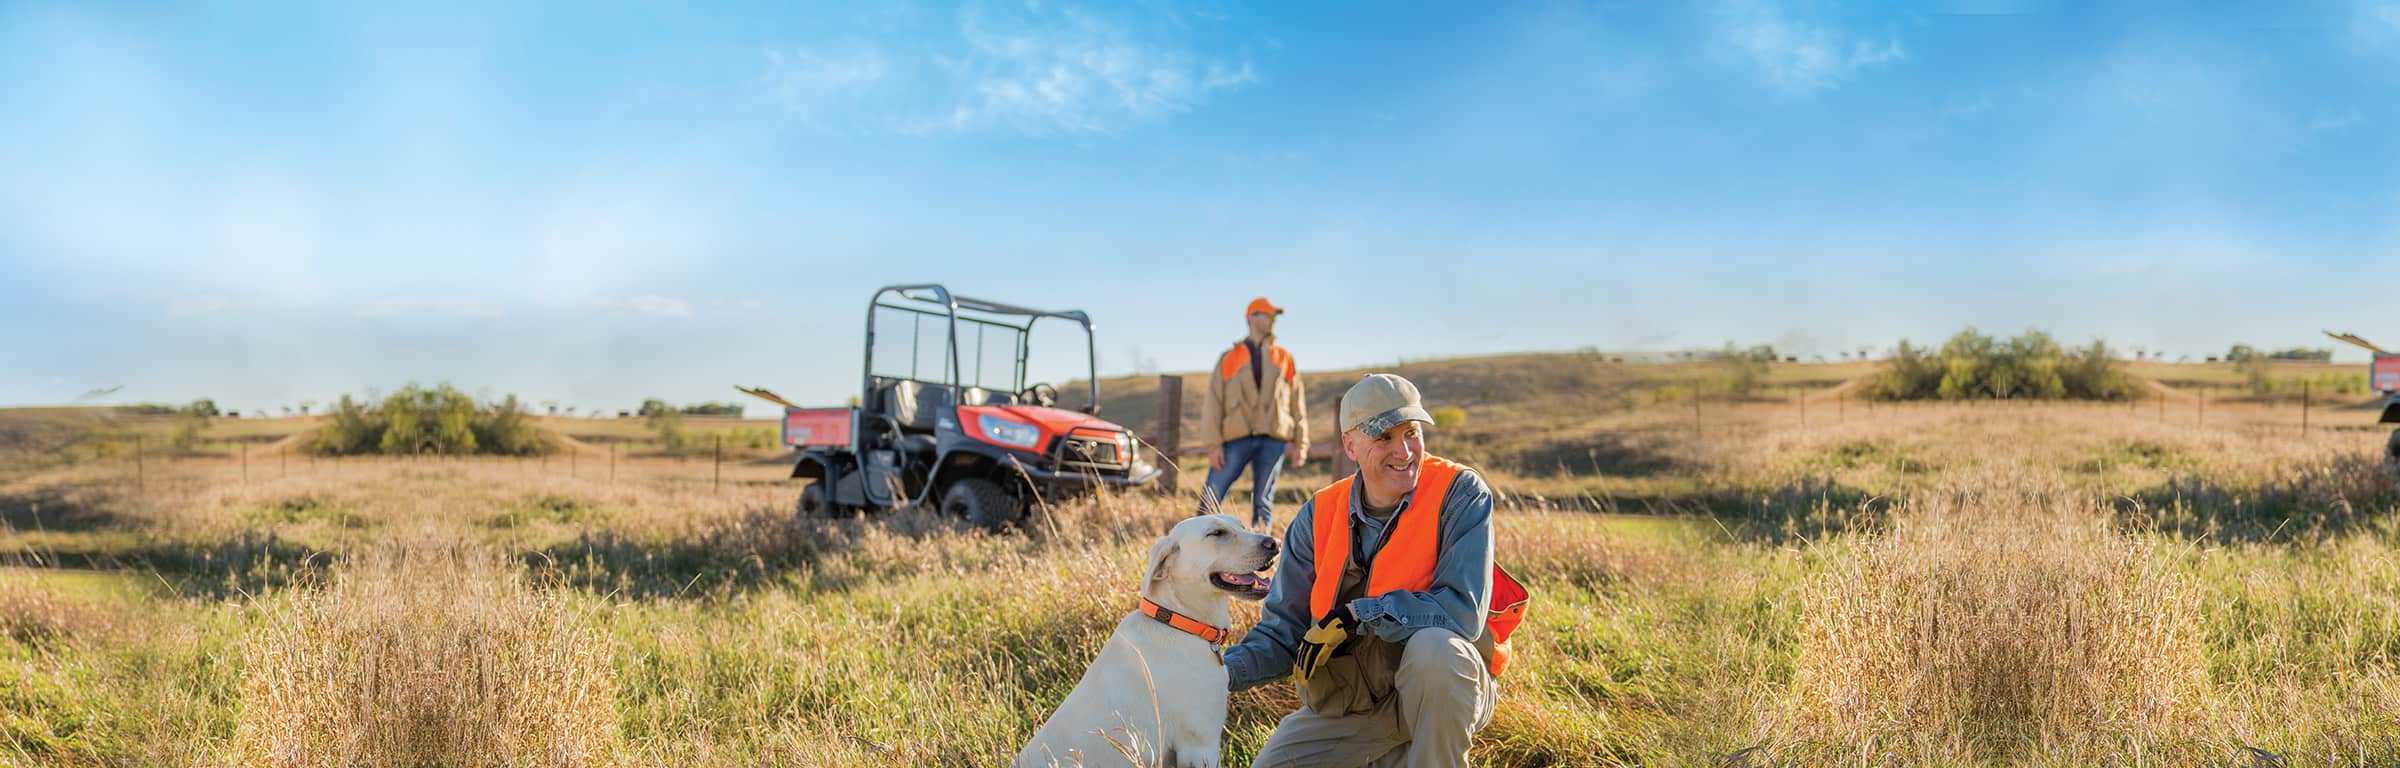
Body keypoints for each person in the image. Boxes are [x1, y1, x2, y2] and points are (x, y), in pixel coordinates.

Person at [1223, 373, 1511, 768]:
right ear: (1350, 445)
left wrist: (1364, 613)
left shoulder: (1461, 493)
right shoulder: (1318, 515)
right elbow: (1282, 635)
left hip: (1439, 691)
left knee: (1436, 651)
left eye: (1412, 432)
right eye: (1384, 437)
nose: (1404, 451)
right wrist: (1216, 674)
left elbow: (1462, 613)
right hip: (1356, 706)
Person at [1196, 297, 1308, 528]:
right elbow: (1214, 402)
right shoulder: (1229, 358)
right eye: (1266, 315)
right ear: (1250, 318)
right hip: (1235, 439)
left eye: (1273, 316)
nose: (1272, 320)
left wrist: (1301, 443)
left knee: (1263, 502)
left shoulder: (1284, 357)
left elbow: (1297, 401)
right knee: (1211, 496)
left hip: (1273, 439)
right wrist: (1213, 444)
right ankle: (1198, 544)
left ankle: (1260, 556)